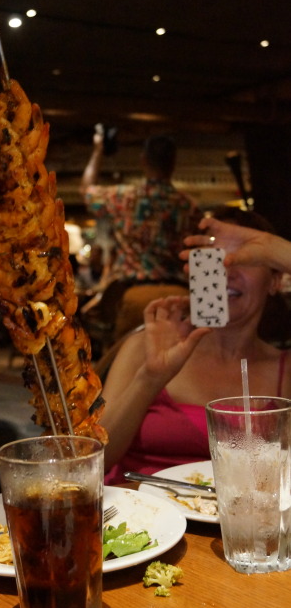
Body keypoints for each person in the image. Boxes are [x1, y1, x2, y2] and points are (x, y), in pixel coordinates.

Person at [101, 206, 291, 483]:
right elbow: (94, 459)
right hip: (141, 516)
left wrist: (278, 249)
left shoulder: (285, 370)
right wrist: (151, 378)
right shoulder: (147, 346)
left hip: (242, 521)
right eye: (214, 259)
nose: (227, 269)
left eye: (246, 258)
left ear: (275, 279)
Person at [80, 129, 202, 342]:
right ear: (173, 163)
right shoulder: (189, 206)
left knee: (126, 364)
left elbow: (86, 190)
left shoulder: (124, 198)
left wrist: (98, 149)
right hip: (181, 296)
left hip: (135, 297)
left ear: (143, 160)